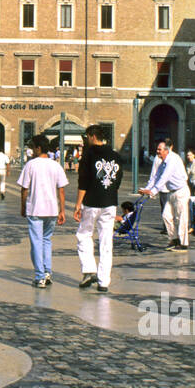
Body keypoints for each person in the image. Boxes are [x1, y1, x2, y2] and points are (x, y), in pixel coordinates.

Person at [75, 124, 122, 292]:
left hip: (92, 202)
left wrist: (78, 204)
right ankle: (104, 282)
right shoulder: (116, 156)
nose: (87, 140)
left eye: (87, 137)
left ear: (93, 136)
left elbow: (84, 182)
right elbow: (117, 182)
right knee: (106, 240)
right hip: (110, 202)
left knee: (84, 234)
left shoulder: (88, 155)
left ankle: (89, 270)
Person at [18, 134, 68, 288]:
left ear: (38, 148)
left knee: (36, 242)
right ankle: (47, 272)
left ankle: (40, 276)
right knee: (46, 240)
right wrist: (62, 211)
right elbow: (61, 190)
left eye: (32, 147)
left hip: (35, 209)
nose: (31, 150)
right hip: (52, 210)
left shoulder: (31, 165)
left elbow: (24, 189)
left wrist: (23, 207)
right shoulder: (56, 165)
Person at [140, 137, 190, 250]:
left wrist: (153, 191)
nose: (157, 152)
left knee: (181, 218)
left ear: (167, 150)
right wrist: (146, 189)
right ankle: (174, 239)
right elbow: (156, 176)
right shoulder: (163, 161)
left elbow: (164, 177)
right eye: (157, 149)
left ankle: (183, 243)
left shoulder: (173, 159)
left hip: (180, 191)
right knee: (166, 215)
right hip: (171, 192)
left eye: (159, 150)